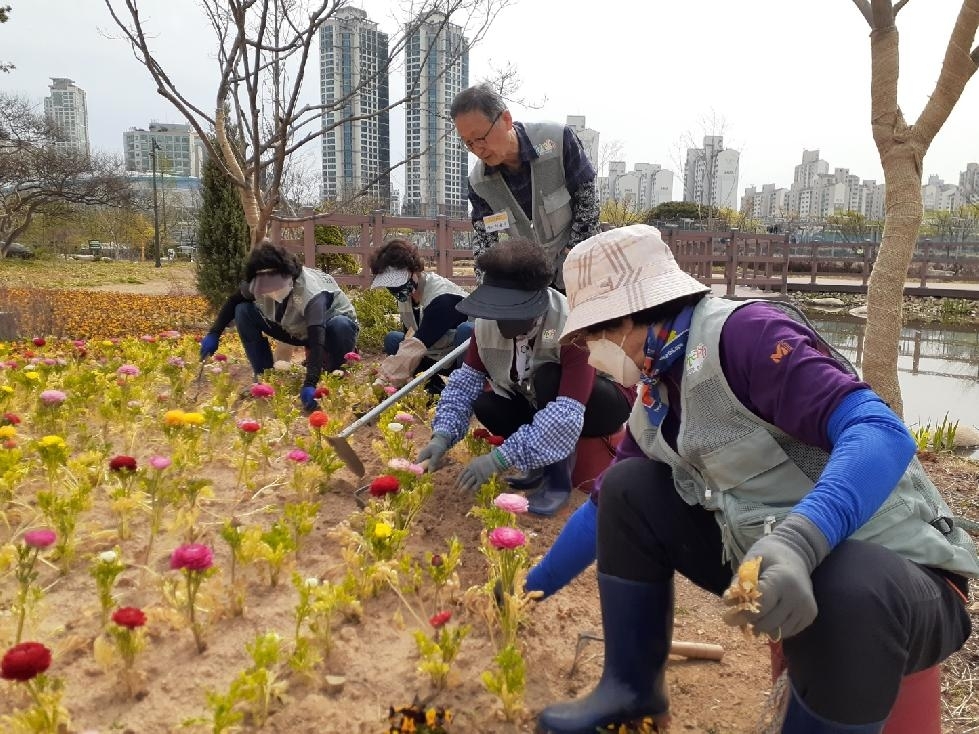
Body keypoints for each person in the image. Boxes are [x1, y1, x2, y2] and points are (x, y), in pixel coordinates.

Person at [536, 224, 977, 733]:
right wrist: (532, 586)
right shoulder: (660, 387)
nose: (593, 355)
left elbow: (882, 431)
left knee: (848, 585)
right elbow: (602, 510)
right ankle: (630, 694)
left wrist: (800, 540)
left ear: (629, 315)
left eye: (596, 336)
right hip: (772, 559)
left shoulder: (746, 336)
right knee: (628, 488)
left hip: (898, 577)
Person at [415, 238, 631, 517]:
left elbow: (567, 411)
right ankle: (536, 463)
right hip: (538, 399)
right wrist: (441, 438)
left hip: (599, 402)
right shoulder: (485, 327)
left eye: (513, 311)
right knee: (486, 403)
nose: (503, 322)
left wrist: (498, 459)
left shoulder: (570, 324)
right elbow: (464, 385)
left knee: (548, 377)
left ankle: (557, 480)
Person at [450, 84, 599, 291]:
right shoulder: (479, 183)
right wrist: (491, 292)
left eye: (481, 137)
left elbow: (588, 204)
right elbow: (486, 240)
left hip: (579, 270)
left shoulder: (555, 141)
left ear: (506, 120)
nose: (478, 149)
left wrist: (571, 256)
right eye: (468, 143)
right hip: (528, 283)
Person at [200, 240, 359, 413]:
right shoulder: (256, 284)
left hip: (327, 329)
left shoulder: (311, 293)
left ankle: (334, 377)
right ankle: (265, 379)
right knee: (243, 310)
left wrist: (310, 383)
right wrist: (214, 333)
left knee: (340, 325)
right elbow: (233, 301)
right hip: (291, 328)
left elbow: (317, 338)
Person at [368, 238, 473, 394]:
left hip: (459, 355)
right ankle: (432, 389)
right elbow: (410, 337)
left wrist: (385, 377)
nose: (395, 289)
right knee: (394, 340)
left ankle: (467, 393)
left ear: (413, 270)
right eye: (390, 285)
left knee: (468, 331)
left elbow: (419, 342)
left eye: (398, 282)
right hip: (435, 353)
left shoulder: (442, 298)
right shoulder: (406, 298)